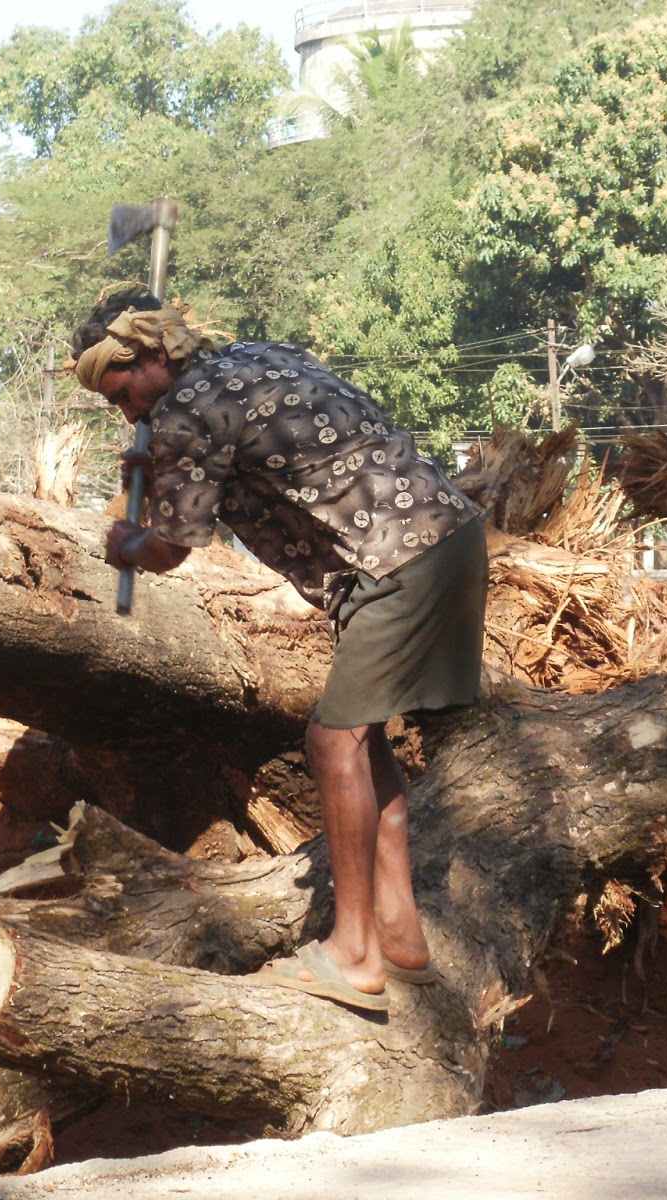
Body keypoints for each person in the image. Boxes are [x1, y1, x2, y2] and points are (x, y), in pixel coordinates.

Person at [69, 290, 487, 1013]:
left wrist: (125, 541)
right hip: (443, 541)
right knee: (366, 744)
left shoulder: (185, 411)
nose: (127, 412)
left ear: (153, 358)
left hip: (395, 561)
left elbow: (171, 546)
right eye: (116, 407)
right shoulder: (255, 358)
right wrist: (153, 451)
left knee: (331, 743)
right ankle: (400, 934)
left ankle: (353, 954)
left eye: (123, 394)